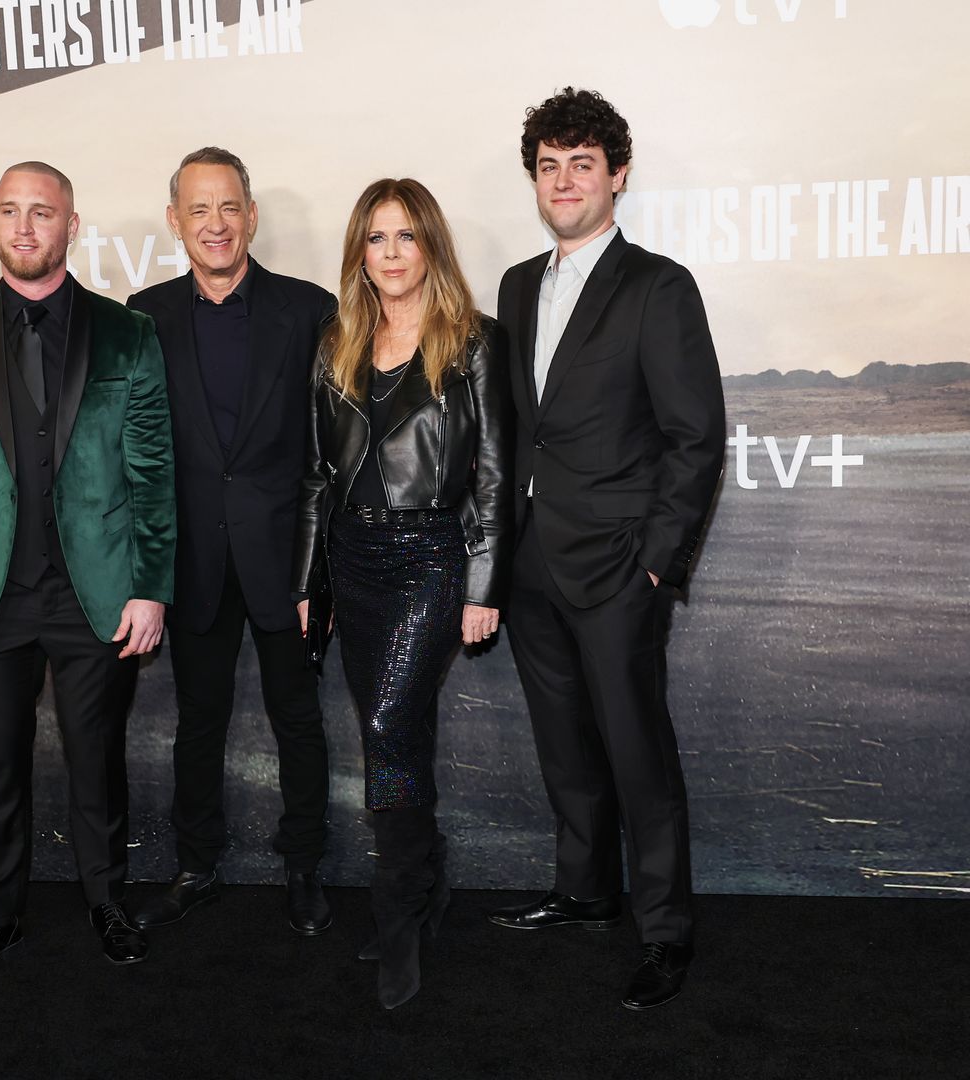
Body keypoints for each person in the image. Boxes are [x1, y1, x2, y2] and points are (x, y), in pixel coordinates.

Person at [0, 162, 175, 986]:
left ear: (71, 226)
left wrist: (150, 583)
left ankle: (106, 904)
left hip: (96, 592)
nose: (25, 227)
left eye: (42, 213)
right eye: (11, 212)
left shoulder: (127, 335)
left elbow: (151, 472)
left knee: (97, 760)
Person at [489, 88, 725, 1011]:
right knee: (564, 746)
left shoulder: (659, 286)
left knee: (636, 751)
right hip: (533, 558)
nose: (564, 180)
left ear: (617, 175)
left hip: (621, 563)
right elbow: (520, 427)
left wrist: (658, 563)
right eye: (549, 165)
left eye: (582, 163)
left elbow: (694, 436)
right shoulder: (515, 285)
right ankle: (585, 892)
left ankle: (664, 930)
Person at [291, 178, 512, 1009]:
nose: (390, 253)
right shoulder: (334, 343)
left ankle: (399, 913)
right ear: (360, 253)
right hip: (353, 563)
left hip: (432, 561)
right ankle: (427, 887)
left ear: (431, 247)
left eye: (405, 237)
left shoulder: (473, 342)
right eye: (376, 238)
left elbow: (494, 474)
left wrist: (483, 582)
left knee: (385, 726)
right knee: (397, 735)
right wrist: (309, 583)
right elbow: (317, 477)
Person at [127, 149, 336, 935]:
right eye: (197, 210)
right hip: (195, 563)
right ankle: (196, 867)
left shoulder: (311, 310)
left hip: (288, 563)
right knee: (198, 722)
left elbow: (331, 451)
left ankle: (306, 868)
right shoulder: (140, 316)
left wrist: (319, 569)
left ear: (252, 214)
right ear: (175, 221)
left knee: (299, 721)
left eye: (229, 207)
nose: (215, 225)